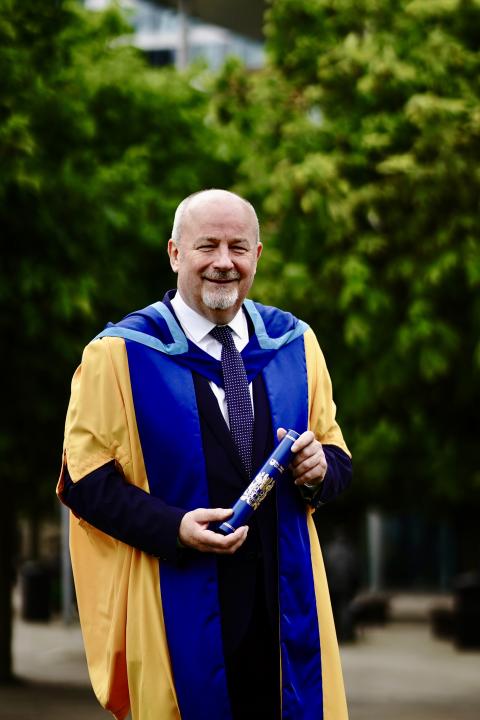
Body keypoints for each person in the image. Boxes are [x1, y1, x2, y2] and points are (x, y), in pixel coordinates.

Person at [57, 189, 352, 720]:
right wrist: (172, 527)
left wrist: (319, 471)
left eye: (238, 247)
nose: (223, 262)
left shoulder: (294, 344)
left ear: (257, 256)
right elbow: (85, 481)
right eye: (206, 246)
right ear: (175, 254)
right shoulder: (120, 354)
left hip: (286, 608)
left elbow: (336, 457)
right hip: (181, 602)